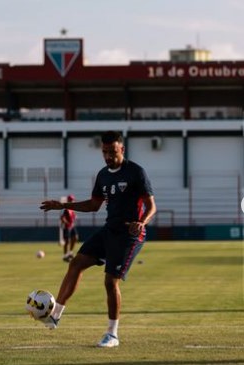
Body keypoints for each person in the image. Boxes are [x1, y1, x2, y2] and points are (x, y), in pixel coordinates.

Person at [40, 131, 156, 348]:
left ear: (122, 149)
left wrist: (142, 222)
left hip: (130, 235)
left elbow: (152, 206)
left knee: (110, 281)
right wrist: (63, 205)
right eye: (105, 152)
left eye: (112, 151)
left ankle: (112, 335)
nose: (108, 156)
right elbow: (93, 205)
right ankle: (55, 314)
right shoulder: (103, 175)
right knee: (76, 264)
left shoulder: (136, 172)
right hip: (109, 230)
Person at [60, 194, 79, 262]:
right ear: (68, 200)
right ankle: (65, 256)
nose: (71, 201)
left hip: (72, 226)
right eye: (70, 200)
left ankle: (70, 252)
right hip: (67, 227)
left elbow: (73, 217)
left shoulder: (72, 208)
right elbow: (62, 218)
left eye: (72, 200)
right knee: (67, 241)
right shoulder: (66, 209)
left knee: (75, 238)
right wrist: (66, 222)